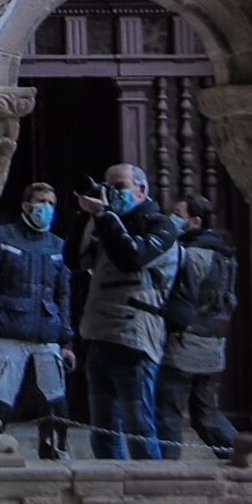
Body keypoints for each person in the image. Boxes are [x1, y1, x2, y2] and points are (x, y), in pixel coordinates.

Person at [74, 161, 176, 459]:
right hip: (99, 333)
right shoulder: (107, 223)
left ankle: (148, 496)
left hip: (134, 336)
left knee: (138, 426)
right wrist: (85, 216)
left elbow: (131, 257)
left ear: (142, 190)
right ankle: (109, 491)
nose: (112, 193)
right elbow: (74, 259)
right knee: (103, 428)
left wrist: (105, 216)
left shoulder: (160, 225)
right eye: (108, 187)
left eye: (120, 186)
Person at [0, 181, 76, 460]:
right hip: (8, 332)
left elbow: (64, 296)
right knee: (1, 399)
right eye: (41, 202)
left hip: (47, 334)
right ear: (26, 205)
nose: (46, 208)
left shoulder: (59, 246)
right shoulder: (2, 238)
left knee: (56, 399)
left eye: (52, 203)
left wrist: (67, 342)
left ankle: (55, 449)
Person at [156, 209, 239, 460]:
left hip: (184, 343)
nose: (173, 217)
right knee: (205, 412)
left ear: (195, 220)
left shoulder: (191, 256)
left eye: (179, 213)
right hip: (212, 344)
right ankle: (239, 452)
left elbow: (178, 298)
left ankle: (165, 469)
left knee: (167, 411)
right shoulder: (225, 257)